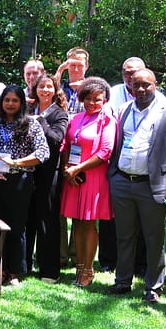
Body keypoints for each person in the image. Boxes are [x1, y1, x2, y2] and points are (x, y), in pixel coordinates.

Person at [105, 68, 166, 302]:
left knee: (154, 238)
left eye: (146, 85)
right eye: (135, 85)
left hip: (152, 185)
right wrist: (114, 176)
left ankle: (154, 287)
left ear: (156, 85)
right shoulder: (123, 110)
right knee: (124, 236)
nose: (140, 89)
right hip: (122, 181)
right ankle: (122, 281)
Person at [0, 85, 50, 286]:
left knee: (16, 227)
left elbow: (43, 153)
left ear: (21, 103)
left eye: (14, 100)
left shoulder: (31, 125)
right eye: (6, 100)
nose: (10, 104)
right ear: (1, 103)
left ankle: (15, 271)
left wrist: (17, 163)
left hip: (19, 181)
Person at [60, 77, 116, 286]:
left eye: (97, 99)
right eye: (88, 99)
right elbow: (66, 144)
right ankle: (79, 267)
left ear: (104, 100)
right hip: (73, 177)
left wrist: (78, 168)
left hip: (93, 177)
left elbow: (105, 151)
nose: (92, 103)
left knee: (89, 223)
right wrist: (68, 168)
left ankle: (88, 270)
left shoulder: (107, 121)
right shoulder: (76, 118)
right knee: (77, 222)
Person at [26, 74, 69, 283]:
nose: (45, 90)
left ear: (55, 90)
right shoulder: (27, 110)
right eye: (41, 87)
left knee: (47, 220)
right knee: (27, 219)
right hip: (27, 172)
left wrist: (40, 121)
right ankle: (24, 265)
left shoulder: (59, 114)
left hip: (49, 173)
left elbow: (56, 139)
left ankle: (49, 271)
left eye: (49, 87)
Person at [53, 47, 89, 114]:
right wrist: (60, 70)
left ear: (86, 66)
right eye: (73, 65)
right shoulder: (61, 88)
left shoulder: (91, 89)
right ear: (67, 65)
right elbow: (50, 89)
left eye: (80, 66)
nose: (76, 69)